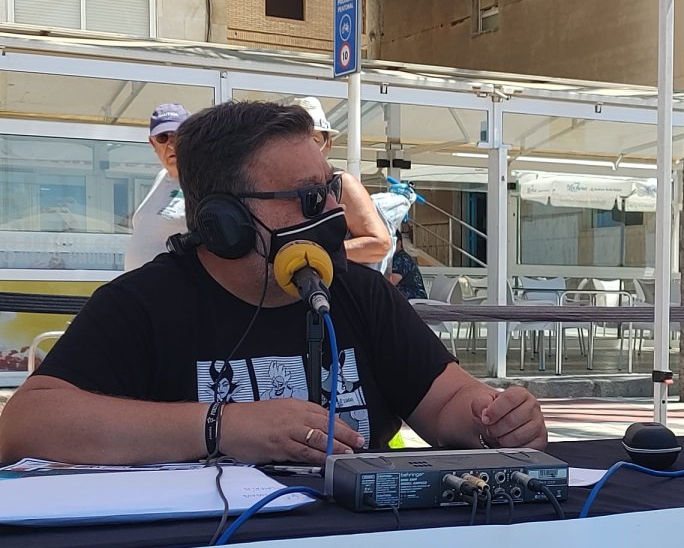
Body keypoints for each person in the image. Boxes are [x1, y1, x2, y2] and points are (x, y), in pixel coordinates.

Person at [0, 101, 546, 466]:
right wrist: (223, 427)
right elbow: (26, 422)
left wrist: (491, 417)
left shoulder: (359, 291)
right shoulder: (141, 304)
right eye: (310, 198)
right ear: (223, 223)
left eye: (331, 191)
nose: (334, 211)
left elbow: (446, 399)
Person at [292, 97, 392, 268]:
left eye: (314, 141)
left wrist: (321, 255)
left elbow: (380, 245)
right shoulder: (277, 184)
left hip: (335, 290)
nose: (305, 149)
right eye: (297, 140)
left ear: (328, 145)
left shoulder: (342, 184)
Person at [124, 103, 190, 270]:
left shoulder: (203, 180)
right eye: (163, 137)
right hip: (141, 291)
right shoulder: (161, 176)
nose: (171, 145)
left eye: (177, 136)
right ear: (153, 143)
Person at [390, 222, 428, 300]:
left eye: (392, 243)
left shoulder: (401, 259)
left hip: (413, 298)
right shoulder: (398, 257)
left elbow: (391, 282)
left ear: (399, 243)